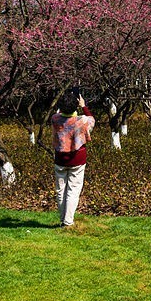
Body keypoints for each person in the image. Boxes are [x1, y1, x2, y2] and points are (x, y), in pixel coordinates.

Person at [50, 90, 95, 227]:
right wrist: (83, 106)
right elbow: (92, 120)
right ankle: (68, 221)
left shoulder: (55, 119)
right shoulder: (82, 121)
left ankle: (63, 219)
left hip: (60, 159)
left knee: (61, 190)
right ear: (76, 106)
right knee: (73, 190)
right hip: (77, 159)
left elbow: (58, 114)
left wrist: (63, 105)